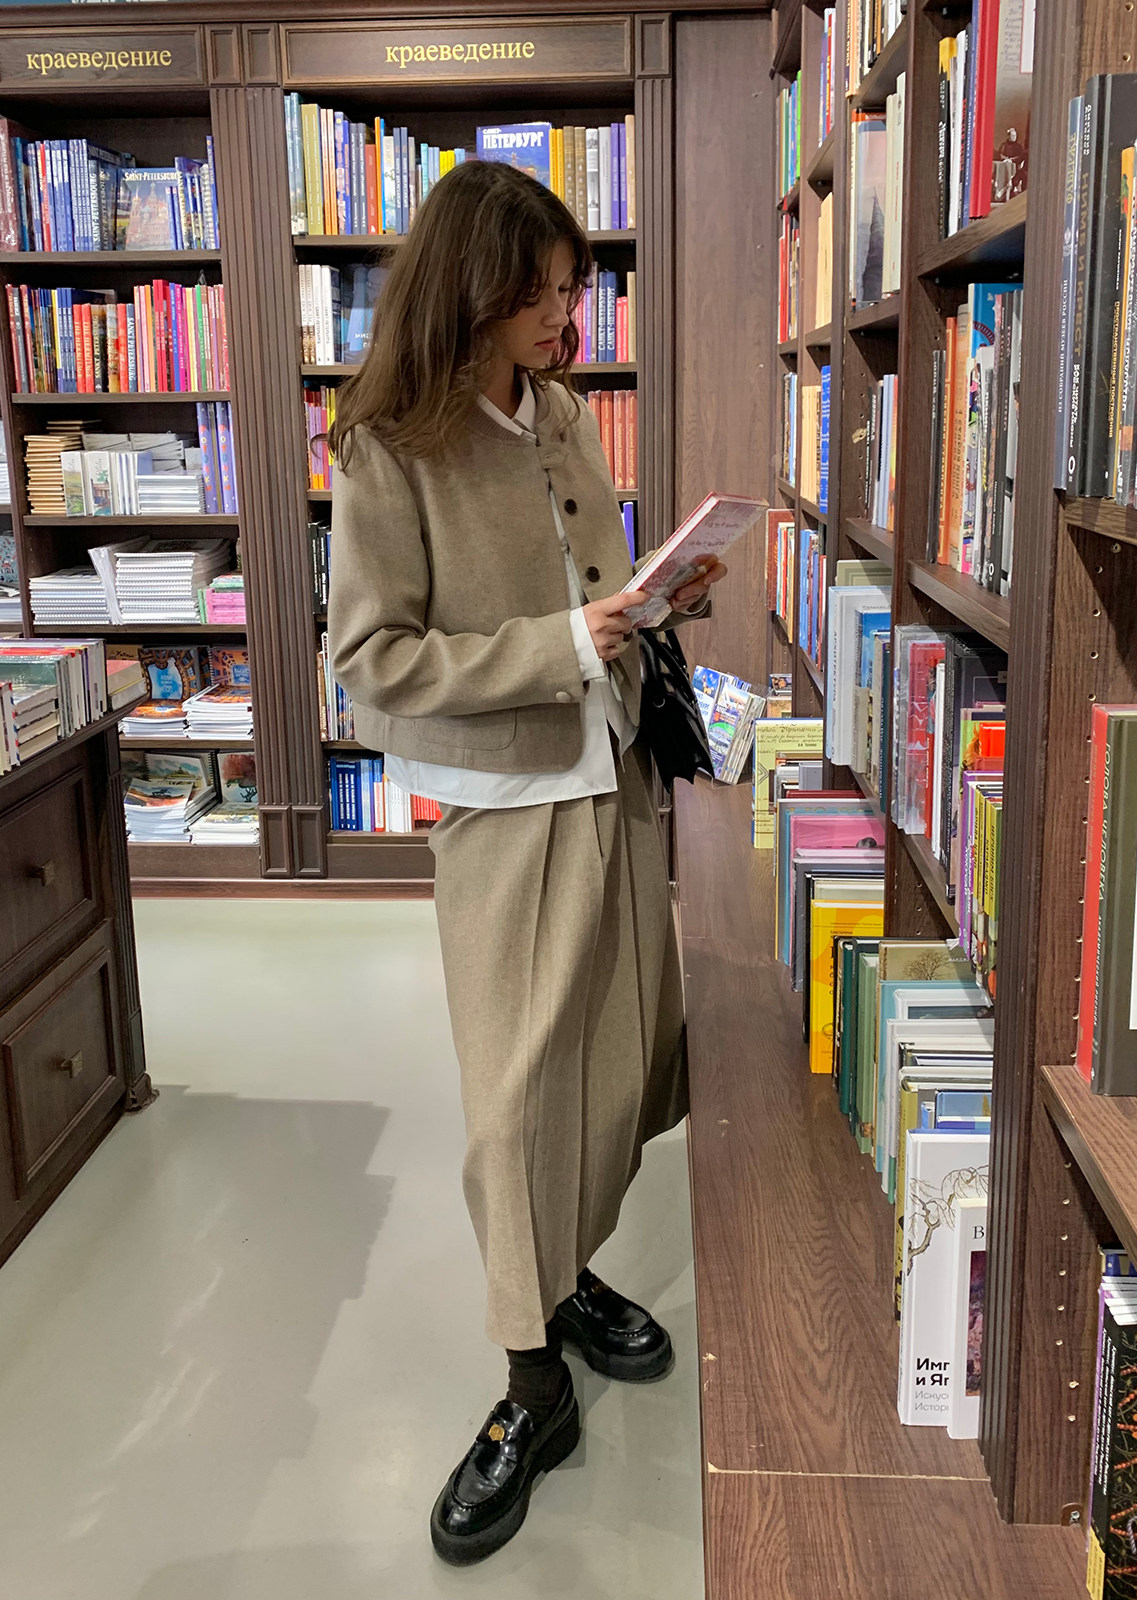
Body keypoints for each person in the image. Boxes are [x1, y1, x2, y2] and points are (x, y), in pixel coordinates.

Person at [326, 159, 725, 1566]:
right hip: (506, 806)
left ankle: (564, 1281)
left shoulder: (558, 411)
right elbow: (371, 656)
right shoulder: (386, 445)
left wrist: (657, 600)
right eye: (543, 292)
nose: (568, 315)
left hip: (614, 776)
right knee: (511, 1100)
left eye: (571, 287)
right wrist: (564, 643)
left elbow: (587, 586)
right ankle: (529, 1380)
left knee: (614, 1059)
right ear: (475, 289)